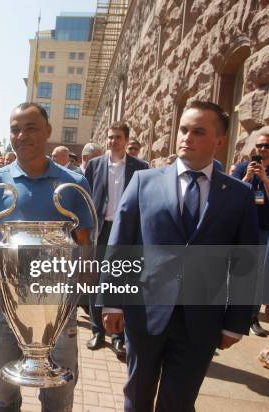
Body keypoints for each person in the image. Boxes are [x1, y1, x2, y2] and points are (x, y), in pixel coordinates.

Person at [101, 101, 258, 411]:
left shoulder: (238, 195)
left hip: (201, 321)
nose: (186, 137)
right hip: (145, 314)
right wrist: (112, 300)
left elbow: (246, 263)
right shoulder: (145, 181)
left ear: (219, 141)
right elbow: (121, 245)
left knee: (180, 402)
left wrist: (235, 323)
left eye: (198, 132)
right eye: (184, 129)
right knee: (136, 397)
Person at [0, 102, 93, 411]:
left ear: (48, 131)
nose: (22, 135)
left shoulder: (73, 185)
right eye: (15, 129)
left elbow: (84, 243)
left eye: (31, 128)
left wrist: (78, 288)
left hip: (57, 312)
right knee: (4, 398)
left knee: (58, 398)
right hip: (2, 307)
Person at [84, 121, 149, 358]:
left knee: (122, 279)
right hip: (101, 230)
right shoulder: (94, 165)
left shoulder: (141, 167)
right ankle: (97, 331)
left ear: (126, 139)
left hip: (126, 232)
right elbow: (86, 198)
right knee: (96, 279)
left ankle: (119, 335)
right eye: (110, 137)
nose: (113, 141)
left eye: (118, 137)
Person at [231, 125, 269, 337]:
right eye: (259, 145)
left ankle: (252, 317)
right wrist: (247, 177)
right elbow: (231, 195)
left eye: (266, 146)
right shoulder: (241, 167)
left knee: (258, 274)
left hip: (263, 229)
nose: (262, 149)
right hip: (240, 226)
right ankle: (230, 309)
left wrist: (264, 179)